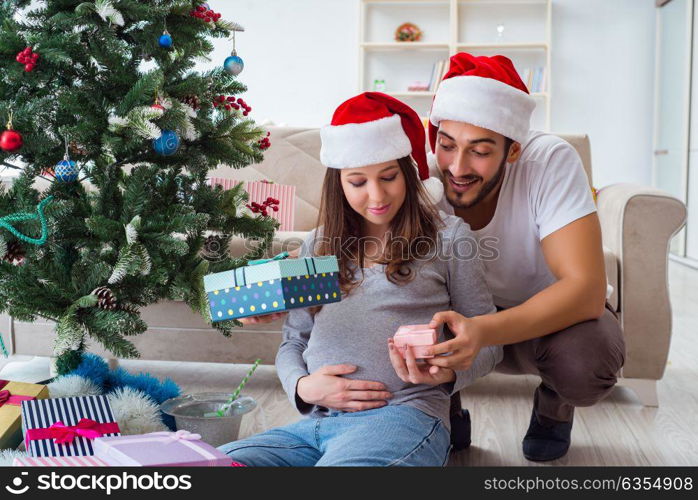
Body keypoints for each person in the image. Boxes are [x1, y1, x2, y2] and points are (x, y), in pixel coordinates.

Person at [217, 92, 501, 466]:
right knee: (211, 465)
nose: (377, 195)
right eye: (358, 182)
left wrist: (445, 376)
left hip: (402, 416)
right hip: (312, 426)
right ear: (339, 184)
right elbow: (294, 340)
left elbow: (490, 342)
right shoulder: (318, 247)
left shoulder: (448, 239)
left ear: (408, 172)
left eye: (388, 177)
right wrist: (302, 387)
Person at [419, 52, 626, 461]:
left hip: (548, 324)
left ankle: (554, 406)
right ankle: (441, 408)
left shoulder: (548, 160)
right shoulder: (422, 175)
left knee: (587, 362)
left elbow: (584, 291)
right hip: (455, 318)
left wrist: (482, 330)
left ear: (512, 151)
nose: (457, 167)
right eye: (447, 145)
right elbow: (348, 252)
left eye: (479, 150)